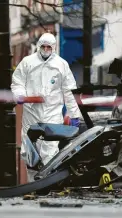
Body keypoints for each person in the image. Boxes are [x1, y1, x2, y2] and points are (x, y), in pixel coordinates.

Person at [11, 32, 82, 181]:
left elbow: (69, 90)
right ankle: (32, 182)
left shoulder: (61, 65)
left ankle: (47, 182)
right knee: (29, 150)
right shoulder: (28, 62)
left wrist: (74, 113)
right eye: (43, 46)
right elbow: (18, 81)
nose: (45, 49)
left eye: (48, 47)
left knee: (50, 150)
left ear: (54, 47)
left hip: (52, 113)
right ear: (38, 46)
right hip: (32, 112)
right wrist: (20, 95)